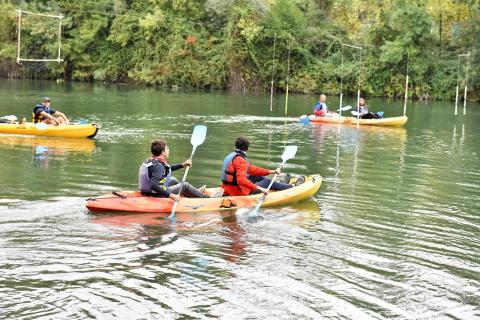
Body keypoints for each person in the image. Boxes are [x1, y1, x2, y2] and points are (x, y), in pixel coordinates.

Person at [220, 136, 292, 196]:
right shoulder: (240, 160)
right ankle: (291, 186)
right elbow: (241, 180)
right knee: (267, 182)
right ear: (246, 148)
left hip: (227, 188)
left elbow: (253, 170)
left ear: (236, 146)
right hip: (237, 191)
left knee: (256, 176)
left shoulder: (231, 156)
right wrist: (260, 188)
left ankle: (279, 184)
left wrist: (272, 171)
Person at [138, 139, 209, 200]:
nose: (168, 150)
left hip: (147, 192)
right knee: (185, 185)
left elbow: (166, 169)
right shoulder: (158, 165)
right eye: (167, 148)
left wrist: (182, 165)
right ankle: (206, 198)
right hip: (155, 194)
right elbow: (153, 185)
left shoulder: (152, 161)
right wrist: (172, 196)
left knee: (173, 180)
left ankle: (194, 192)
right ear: (163, 152)